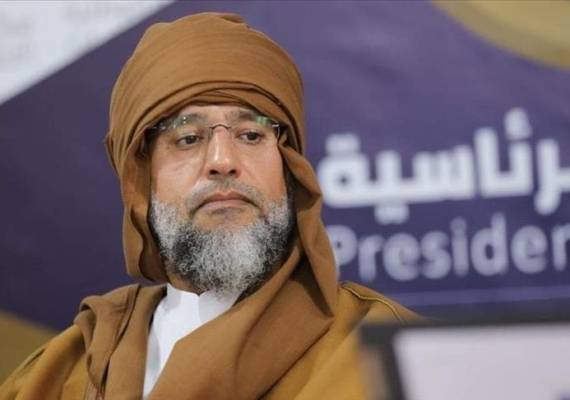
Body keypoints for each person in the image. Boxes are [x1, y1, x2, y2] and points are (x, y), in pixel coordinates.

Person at [0, 13, 418, 400]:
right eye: (188, 138)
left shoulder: (393, 357)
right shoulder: (61, 375)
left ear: (291, 168)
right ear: (142, 180)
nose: (222, 160)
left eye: (251, 135)